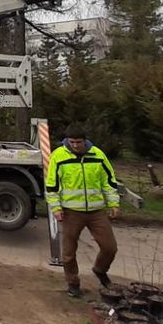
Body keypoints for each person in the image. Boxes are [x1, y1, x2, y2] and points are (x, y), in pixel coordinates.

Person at [45, 125, 120, 298]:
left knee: (110, 247)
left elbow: (108, 181)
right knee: (68, 253)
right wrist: (56, 208)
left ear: (85, 141)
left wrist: (113, 203)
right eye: (72, 142)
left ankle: (100, 270)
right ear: (67, 141)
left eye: (79, 142)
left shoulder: (98, 155)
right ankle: (73, 283)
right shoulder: (58, 156)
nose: (76, 146)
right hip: (72, 212)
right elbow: (52, 185)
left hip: (96, 211)